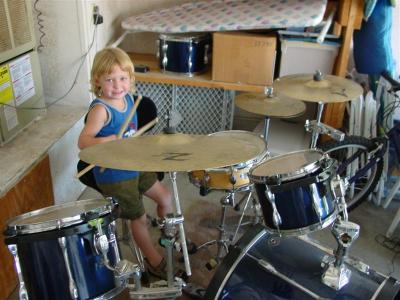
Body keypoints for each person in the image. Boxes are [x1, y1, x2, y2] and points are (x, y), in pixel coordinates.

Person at [78, 47, 173, 279]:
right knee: (139, 218)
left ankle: (167, 237)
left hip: (134, 165)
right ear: (97, 81)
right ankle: (154, 260)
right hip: (114, 175)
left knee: (166, 198)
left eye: (123, 78)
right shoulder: (101, 110)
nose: (118, 85)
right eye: (110, 79)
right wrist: (107, 140)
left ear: (130, 79)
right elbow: (82, 141)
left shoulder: (129, 99)